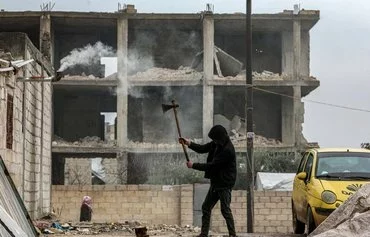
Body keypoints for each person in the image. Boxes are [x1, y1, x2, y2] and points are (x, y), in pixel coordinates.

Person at [179, 125, 237, 237]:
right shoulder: (217, 144)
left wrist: (193, 165)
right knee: (206, 207)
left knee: (225, 210)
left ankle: (233, 235)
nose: (213, 141)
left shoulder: (227, 150)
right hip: (216, 182)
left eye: (214, 139)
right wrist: (188, 143)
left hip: (224, 184)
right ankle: (204, 234)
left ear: (220, 137)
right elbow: (202, 149)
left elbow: (211, 166)